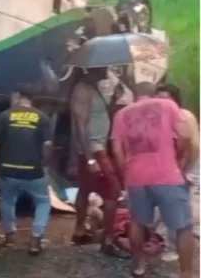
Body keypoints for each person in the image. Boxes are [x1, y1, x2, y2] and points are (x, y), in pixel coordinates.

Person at [111, 82, 195, 278]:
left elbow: (116, 150)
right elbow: (185, 134)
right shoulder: (167, 105)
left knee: (138, 222)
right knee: (183, 226)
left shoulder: (121, 114)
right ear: (152, 93)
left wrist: (127, 171)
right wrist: (176, 156)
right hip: (167, 174)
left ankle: (138, 265)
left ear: (136, 95)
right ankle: (186, 273)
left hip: (136, 177)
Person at [69, 67, 129, 258]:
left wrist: (113, 100)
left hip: (96, 148)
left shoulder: (94, 89)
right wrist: (90, 158)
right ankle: (108, 241)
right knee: (112, 193)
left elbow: (101, 118)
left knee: (85, 189)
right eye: (105, 66)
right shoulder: (82, 89)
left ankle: (79, 232)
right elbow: (80, 124)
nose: (108, 69)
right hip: (94, 150)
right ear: (95, 66)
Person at [0, 88, 53, 255]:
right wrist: (44, 160)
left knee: (8, 200)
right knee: (43, 201)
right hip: (32, 171)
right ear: (31, 100)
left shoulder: (5, 115)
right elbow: (48, 145)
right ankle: (35, 240)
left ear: (18, 98)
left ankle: (9, 237)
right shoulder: (42, 117)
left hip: (7, 171)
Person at [153, 83, 200, 261]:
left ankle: (175, 249)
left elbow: (194, 147)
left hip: (188, 168)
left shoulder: (184, 116)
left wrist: (185, 172)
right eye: (158, 99)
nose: (162, 102)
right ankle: (170, 244)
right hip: (170, 170)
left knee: (180, 211)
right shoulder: (159, 119)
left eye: (166, 98)